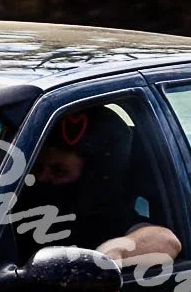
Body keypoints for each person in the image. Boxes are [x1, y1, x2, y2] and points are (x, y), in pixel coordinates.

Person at [28, 105, 181, 267]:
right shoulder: (11, 198)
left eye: (59, 171)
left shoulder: (104, 214)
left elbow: (167, 241)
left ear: (90, 173)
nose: (42, 177)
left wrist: (118, 250)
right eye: (36, 167)